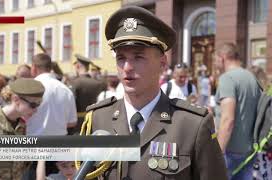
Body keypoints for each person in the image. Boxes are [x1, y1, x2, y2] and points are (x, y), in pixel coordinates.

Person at [78, 6, 228, 180]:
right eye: (121, 58)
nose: (127, 67)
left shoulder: (192, 125)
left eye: (138, 57)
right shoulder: (98, 119)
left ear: (163, 63)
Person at [214, 43, 262, 180]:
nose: (216, 63)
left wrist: (217, 154)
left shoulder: (227, 78)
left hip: (230, 151)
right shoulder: (251, 77)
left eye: (216, 59)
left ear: (223, 57)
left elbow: (228, 120)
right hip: (249, 150)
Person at [70, 54, 106, 133]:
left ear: (78, 66)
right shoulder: (98, 83)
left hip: (78, 123)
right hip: (95, 120)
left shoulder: (75, 83)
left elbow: (70, 104)